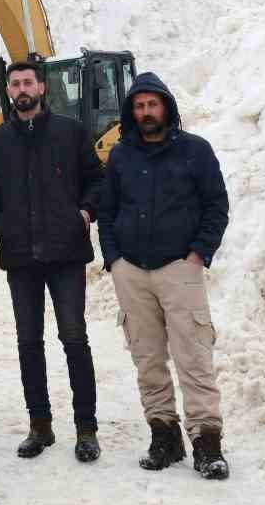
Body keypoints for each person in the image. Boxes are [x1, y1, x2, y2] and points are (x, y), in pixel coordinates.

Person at [97, 72, 231, 480]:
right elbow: (107, 211)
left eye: (152, 105)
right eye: (138, 106)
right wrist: (114, 259)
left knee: (194, 357)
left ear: (167, 108)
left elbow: (216, 206)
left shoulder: (196, 151)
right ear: (130, 112)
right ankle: (164, 436)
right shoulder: (120, 156)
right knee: (147, 358)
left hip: (179, 268)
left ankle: (207, 444)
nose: (145, 112)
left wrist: (198, 254)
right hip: (132, 271)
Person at [0, 60, 103, 463]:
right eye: (14, 84)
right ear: (10, 90)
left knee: (74, 339)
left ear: (41, 87)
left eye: (27, 82)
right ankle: (40, 426)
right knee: (28, 343)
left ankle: (86, 429)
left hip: (65, 252)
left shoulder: (71, 132)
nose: (21, 89)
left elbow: (96, 179)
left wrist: (85, 212)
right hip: (21, 257)